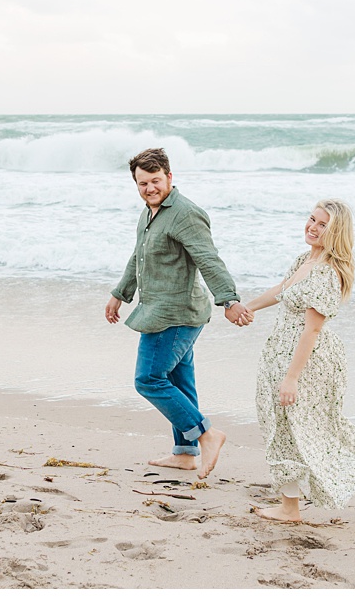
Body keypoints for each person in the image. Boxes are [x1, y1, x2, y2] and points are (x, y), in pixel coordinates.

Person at [232, 198, 355, 525]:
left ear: (336, 233)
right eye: (312, 219)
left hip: (306, 360)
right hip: (284, 353)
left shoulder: (327, 273)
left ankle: (294, 506)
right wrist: (248, 307)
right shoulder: (305, 259)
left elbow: (312, 331)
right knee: (308, 426)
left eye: (322, 225)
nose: (312, 228)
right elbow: (282, 290)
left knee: (292, 428)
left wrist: (291, 378)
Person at [103, 148, 252, 481]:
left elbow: (208, 259)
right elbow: (138, 256)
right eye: (142, 183)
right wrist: (120, 293)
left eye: (155, 181)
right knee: (179, 382)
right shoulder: (150, 211)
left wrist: (228, 300)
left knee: (149, 380)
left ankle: (206, 434)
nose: (149, 188)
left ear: (170, 177)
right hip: (158, 309)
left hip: (176, 313)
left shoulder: (185, 214)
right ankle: (185, 454)